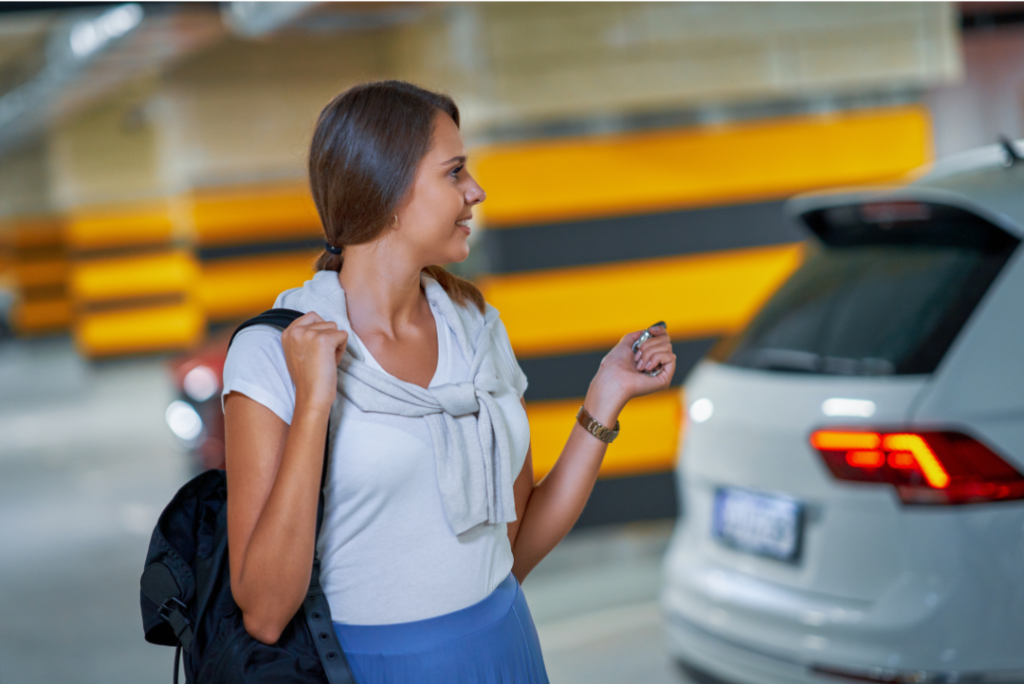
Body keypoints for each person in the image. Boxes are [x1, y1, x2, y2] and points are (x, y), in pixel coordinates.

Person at [221, 80, 676, 683]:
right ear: (386, 192)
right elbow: (266, 614)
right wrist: (314, 405)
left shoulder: (476, 328)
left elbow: (511, 553)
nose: (476, 191)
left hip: (506, 649)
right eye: (455, 172)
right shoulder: (271, 353)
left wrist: (603, 400)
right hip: (372, 668)